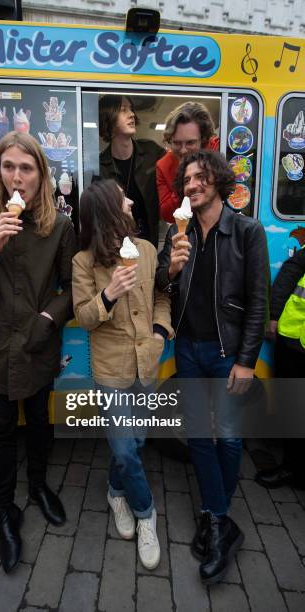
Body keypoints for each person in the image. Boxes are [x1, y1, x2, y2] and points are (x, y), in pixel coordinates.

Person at [0, 131, 77, 573]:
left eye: (26, 168)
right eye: (9, 167)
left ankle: (40, 486)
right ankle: (4, 508)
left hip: (40, 343)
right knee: (3, 427)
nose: (17, 177)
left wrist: (48, 320)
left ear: (41, 174)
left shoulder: (60, 225)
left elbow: (71, 287)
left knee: (41, 419)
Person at [156, 150, 269, 584]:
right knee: (199, 435)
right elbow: (162, 288)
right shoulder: (177, 232)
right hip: (187, 348)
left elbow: (258, 302)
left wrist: (246, 361)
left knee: (227, 435)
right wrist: (172, 268)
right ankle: (218, 516)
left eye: (201, 177)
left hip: (226, 352)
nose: (193, 185)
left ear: (218, 181)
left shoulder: (246, 231)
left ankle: (217, 519)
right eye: (187, 180)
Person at [72, 179, 173, 570]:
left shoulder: (146, 250)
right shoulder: (84, 262)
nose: (132, 202)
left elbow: (161, 296)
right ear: (108, 211)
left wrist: (161, 332)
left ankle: (115, 492)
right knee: (126, 450)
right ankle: (147, 515)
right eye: (123, 198)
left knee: (139, 441)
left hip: (146, 362)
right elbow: (83, 318)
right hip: (111, 370)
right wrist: (109, 293)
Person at [255, 245, 305, 489]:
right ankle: (293, 468)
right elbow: (289, 275)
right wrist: (273, 316)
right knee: (292, 408)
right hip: (293, 340)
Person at [99, 94, 164, 247]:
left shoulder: (152, 152)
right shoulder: (100, 165)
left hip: (151, 239)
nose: (132, 114)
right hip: (118, 244)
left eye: (131, 109)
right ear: (109, 116)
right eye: (123, 110)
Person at [156, 101, 219, 223]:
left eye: (190, 143)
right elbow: (167, 214)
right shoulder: (163, 166)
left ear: (204, 140)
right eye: (177, 143)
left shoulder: (218, 150)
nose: (183, 150)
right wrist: (183, 177)